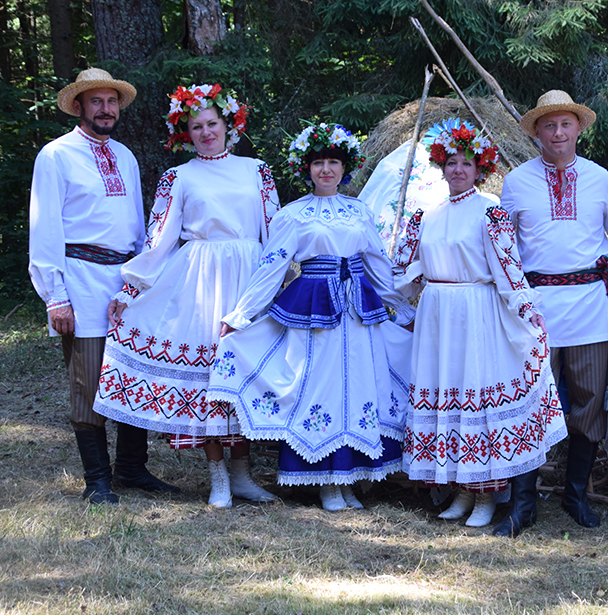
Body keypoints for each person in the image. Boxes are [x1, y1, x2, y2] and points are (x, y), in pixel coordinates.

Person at [207, 123, 415, 512]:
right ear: (307, 169)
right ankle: (326, 483)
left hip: (357, 309)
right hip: (315, 310)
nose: (325, 170)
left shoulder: (359, 212)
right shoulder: (294, 214)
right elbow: (272, 267)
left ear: (344, 167)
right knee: (320, 388)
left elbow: (377, 265)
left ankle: (349, 479)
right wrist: (241, 315)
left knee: (358, 390)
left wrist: (403, 310)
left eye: (333, 162)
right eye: (318, 162)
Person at [94, 84, 279, 508]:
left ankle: (243, 476)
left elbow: (274, 232)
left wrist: (280, 280)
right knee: (210, 381)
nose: (206, 132)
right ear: (186, 132)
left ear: (229, 125)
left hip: (247, 278)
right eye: (196, 126)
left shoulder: (257, 171)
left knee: (242, 378)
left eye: (212, 123)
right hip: (200, 283)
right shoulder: (178, 177)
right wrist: (130, 289)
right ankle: (217, 479)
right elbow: (159, 239)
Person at [393, 120, 567, 528]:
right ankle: (457, 489)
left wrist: (527, 311)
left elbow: (507, 268)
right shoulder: (427, 214)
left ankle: (485, 495)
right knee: (446, 393)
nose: (457, 170)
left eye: (466, 163)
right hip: (438, 314)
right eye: (450, 162)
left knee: (474, 392)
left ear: (480, 168)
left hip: (477, 311)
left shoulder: (490, 211)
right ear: (441, 167)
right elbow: (403, 268)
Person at [29, 67, 179, 504]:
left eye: (111, 101)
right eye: (96, 101)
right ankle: (97, 480)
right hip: (79, 280)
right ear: (78, 106)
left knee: (131, 374)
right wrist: (55, 296)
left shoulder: (126, 156)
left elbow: (136, 228)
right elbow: (45, 230)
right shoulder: (56, 156)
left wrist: (139, 284)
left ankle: (132, 468)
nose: (106, 109)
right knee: (88, 381)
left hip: (124, 284)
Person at [497, 90, 608, 536]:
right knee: (531, 400)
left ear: (577, 129)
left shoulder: (600, 178)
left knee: (590, 400)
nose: (557, 133)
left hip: (590, 302)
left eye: (565, 124)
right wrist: (513, 300)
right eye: (548, 125)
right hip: (537, 308)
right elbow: (505, 249)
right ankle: (523, 503)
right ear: (536, 132)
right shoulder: (515, 182)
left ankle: (576, 495)